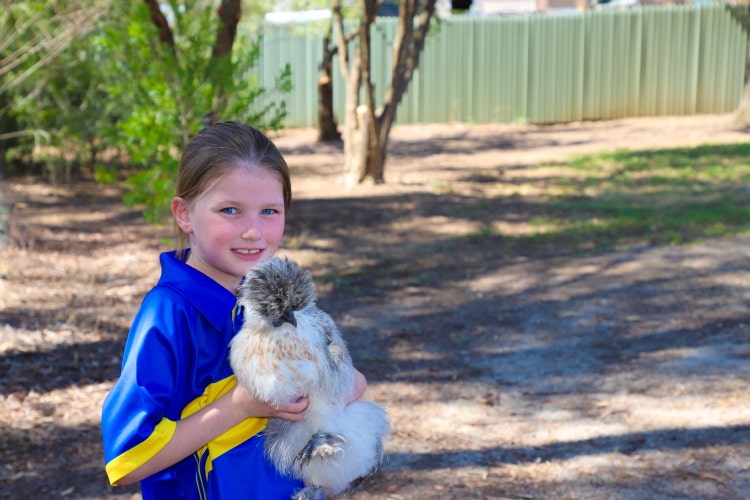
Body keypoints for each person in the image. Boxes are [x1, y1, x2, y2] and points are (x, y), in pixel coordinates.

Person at [101, 121, 367, 499]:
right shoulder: (170, 313)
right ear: (184, 214)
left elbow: (352, 381)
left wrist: (329, 387)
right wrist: (240, 406)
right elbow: (127, 458)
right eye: (230, 210)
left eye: (270, 211)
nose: (253, 232)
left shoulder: (275, 297)